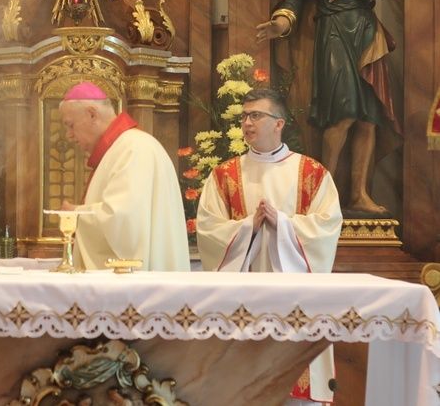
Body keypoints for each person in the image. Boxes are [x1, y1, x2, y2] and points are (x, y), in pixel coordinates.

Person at [196, 89, 343, 405]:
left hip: (295, 302)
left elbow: (327, 227)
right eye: (244, 116)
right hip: (243, 300)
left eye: (256, 115)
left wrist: (283, 224)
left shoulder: (312, 173)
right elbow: (208, 230)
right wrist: (248, 226)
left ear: (279, 123)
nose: (247, 123)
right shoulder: (224, 176)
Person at [255, 0, 404, 214]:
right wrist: (279, 24)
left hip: (365, 35)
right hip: (332, 36)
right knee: (342, 113)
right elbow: (291, 0)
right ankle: (323, 194)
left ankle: (358, 193)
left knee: (367, 117)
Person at [59, 81, 190, 271]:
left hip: (138, 284)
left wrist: (76, 215)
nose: (69, 135)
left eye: (71, 125)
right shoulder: (124, 147)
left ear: (92, 114)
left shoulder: (133, 148)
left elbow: (125, 222)